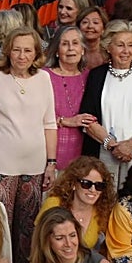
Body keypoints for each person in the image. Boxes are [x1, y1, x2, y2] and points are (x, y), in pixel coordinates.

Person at [0, 27, 57, 263]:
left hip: (34, 165)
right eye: (17, 50)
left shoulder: (44, 78)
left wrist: (51, 163)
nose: (22, 56)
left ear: (36, 54)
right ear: (8, 51)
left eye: (28, 50)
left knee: (28, 227)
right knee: (0, 225)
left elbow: (50, 123)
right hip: (1, 165)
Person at [81, 19, 132, 186]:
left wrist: (131, 144)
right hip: (102, 155)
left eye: (131, 45)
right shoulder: (96, 75)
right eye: (120, 45)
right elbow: (88, 118)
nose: (126, 51)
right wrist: (112, 146)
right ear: (108, 47)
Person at [36, 156, 116, 253]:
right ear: (73, 184)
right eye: (86, 184)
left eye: (99, 186)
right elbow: (38, 242)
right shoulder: (54, 203)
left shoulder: (102, 211)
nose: (93, 190)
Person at [45, 26, 93, 171]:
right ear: (57, 51)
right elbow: (33, 115)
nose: (71, 48)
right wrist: (66, 121)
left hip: (82, 155)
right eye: (65, 44)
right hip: (49, 155)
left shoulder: (90, 76)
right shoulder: (44, 76)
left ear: (83, 49)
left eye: (75, 43)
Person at [77, 5, 109, 71]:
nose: (90, 26)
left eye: (95, 22)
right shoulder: (74, 52)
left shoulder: (109, 53)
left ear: (104, 29)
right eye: (85, 22)